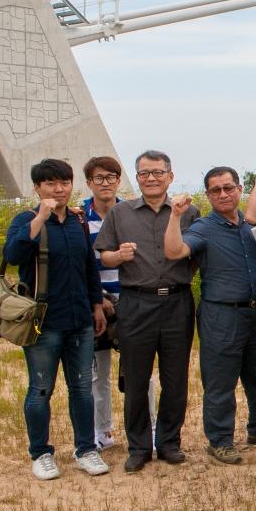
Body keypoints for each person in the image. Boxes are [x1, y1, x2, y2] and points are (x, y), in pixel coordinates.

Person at [165, 168, 256, 464]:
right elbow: (174, 251)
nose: (223, 194)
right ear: (208, 195)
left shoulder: (246, 224)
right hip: (220, 314)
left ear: (238, 189)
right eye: (215, 190)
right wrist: (174, 216)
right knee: (220, 381)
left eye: (228, 188)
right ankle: (219, 440)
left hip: (250, 312)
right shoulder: (204, 228)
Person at [3, 158, 109, 480]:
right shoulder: (26, 219)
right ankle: (40, 453)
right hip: (43, 322)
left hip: (80, 319)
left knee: (81, 389)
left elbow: (89, 266)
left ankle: (86, 449)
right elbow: (13, 256)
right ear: (37, 188)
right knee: (40, 390)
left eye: (64, 182)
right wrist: (40, 218)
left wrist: (96, 304)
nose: (58, 189)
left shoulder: (78, 222)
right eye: (50, 183)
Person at [95, 150, 198, 473]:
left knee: (175, 377)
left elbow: (196, 254)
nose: (151, 178)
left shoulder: (188, 212)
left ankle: (169, 442)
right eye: (143, 173)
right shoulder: (120, 213)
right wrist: (118, 256)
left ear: (170, 175)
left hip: (178, 301)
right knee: (136, 379)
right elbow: (104, 257)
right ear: (136, 178)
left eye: (157, 172)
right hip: (136, 302)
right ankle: (139, 446)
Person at [81, 155, 128, 452]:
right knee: (98, 373)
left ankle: (145, 430)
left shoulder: (129, 212)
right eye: (99, 178)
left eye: (111, 177)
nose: (105, 183)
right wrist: (96, 297)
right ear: (89, 183)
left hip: (130, 301)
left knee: (138, 371)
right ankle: (102, 430)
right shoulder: (79, 217)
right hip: (95, 303)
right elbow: (81, 263)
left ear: (118, 181)